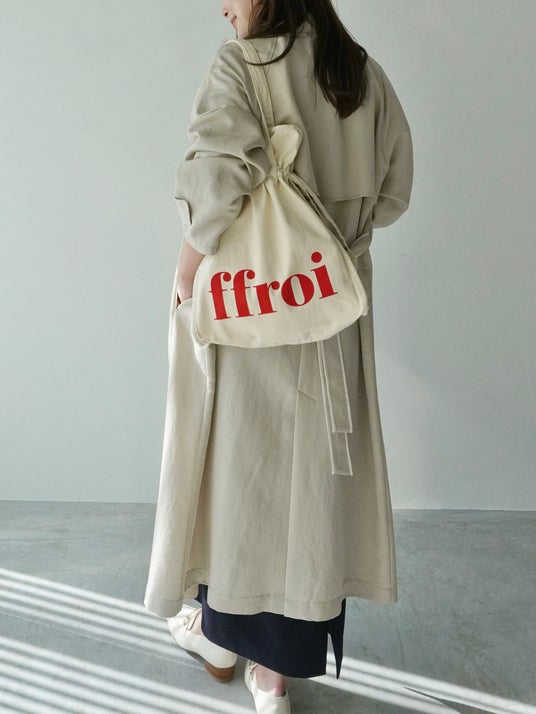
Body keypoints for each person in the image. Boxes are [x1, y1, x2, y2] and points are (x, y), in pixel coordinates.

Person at [143, 1, 413, 712]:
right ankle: (268, 671)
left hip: (256, 310)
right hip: (332, 307)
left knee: (243, 487)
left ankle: (229, 646)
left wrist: (184, 275)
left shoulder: (241, 67)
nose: (223, 6)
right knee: (310, 497)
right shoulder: (360, 74)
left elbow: (213, 188)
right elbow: (393, 196)